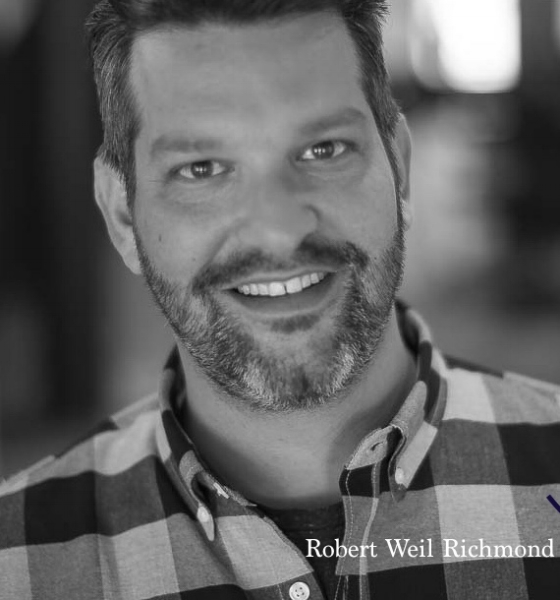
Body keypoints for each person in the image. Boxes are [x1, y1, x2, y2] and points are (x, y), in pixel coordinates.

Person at [1, 0, 559, 598]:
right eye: (202, 168)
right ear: (121, 216)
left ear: (399, 169)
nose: (279, 231)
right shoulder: (16, 556)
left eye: (324, 150)